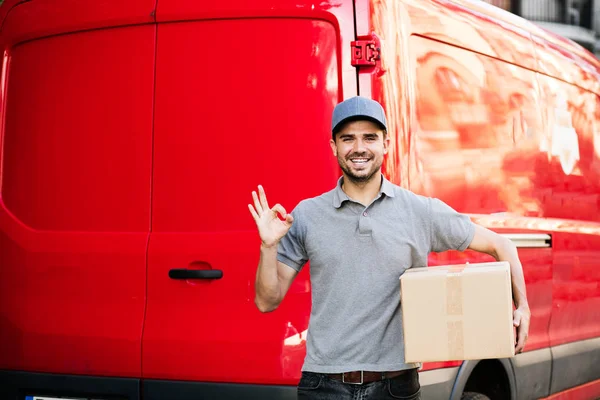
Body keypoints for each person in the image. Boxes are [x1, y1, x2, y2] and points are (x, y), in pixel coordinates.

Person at [248, 96, 531, 400]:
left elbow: (502, 246)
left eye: (370, 137)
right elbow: (267, 301)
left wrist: (522, 307)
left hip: (396, 386)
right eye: (348, 139)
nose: (359, 148)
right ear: (334, 147)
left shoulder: (420, 211)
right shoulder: (306, 215)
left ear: (386, 144)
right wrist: (268, 246)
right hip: (324, 385)